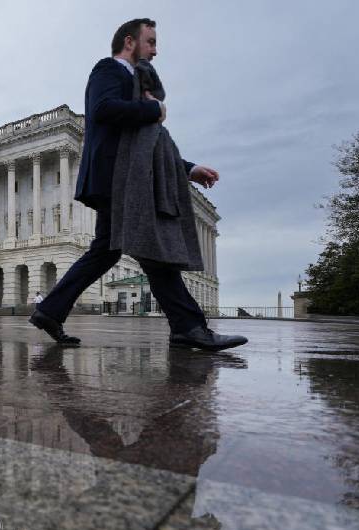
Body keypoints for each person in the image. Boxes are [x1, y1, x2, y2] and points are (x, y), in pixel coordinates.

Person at [30, 18, 247, 351]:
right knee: (150, 251)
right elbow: (103, 111)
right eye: (151, 42)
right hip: (116, 177)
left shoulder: (135, 83)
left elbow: (148, 142)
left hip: (128, 177)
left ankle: (50, 310)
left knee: (107, 250)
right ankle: (189, 327)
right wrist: (153, 108)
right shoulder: (108, 70)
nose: (155, 51)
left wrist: (187, 169)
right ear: (130, 42)